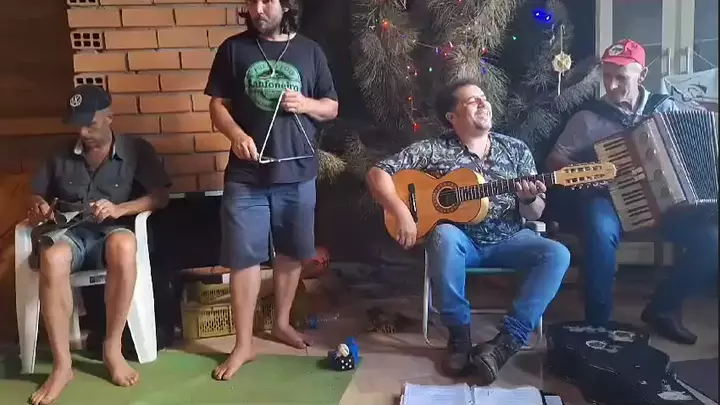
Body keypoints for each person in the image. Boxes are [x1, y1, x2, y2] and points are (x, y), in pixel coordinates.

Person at [366, 79, 570, 384]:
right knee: (444, 235)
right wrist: (401, 212)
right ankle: (459, 338)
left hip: (511, 239)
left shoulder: (515, 149)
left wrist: (528, 199)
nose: (483, 103)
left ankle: (506, 343)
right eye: (473, 100)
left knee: (557, 254)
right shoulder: (434, 149)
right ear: (452, 117)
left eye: (484, 98)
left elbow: (534, 213)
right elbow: (377, 173)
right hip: (460, 244)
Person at [546, 39, 718, 345]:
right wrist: (588, 173)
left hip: (670, 205)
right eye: (607, 76)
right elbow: (555, 159)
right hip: (609, 197)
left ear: (642, 75)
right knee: (600, 231)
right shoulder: (589, 117)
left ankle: (664, 308)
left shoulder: (666, 108)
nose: (611, 85)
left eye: (621, 77)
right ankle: (598, 323)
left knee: (712, 241)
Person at [204, 0, 338, 381]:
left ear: (286, 5)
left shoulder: (310, 51)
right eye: (252, 2)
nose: (258, 9)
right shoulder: (234, 49)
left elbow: (331, 107)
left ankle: (281, 323)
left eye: (267, 1)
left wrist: (307, 103)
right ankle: (243, 344)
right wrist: (235, 135)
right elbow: (217, 106)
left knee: (292, 252)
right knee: (243, 258)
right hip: (246, 177)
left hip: (298, 174)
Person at [27, 84, 171, 405]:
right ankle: (63, 365)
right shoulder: (59, 154)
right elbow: (36, 194)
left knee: (124, 246)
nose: (83, 132)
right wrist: (38, 206)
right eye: (77, 125)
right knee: (52, 257)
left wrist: (121, 209)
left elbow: (161, 196)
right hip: (70, 232)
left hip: (112, 231)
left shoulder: (136, 150)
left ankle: (112, 348)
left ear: (109, 118)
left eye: (90, 124)